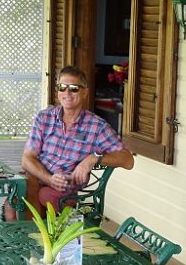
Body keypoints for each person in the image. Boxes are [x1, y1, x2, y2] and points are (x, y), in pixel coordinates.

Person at [11, 65, 134, 218]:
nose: (67, 93)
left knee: (32, 198)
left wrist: (94, 158)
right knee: (21, 194)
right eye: (62, 87)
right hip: (38, 177)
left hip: (64, 189)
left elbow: (128, 160)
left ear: (85, 93)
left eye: (74, 88)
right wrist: (49, 179)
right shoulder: (44, 117)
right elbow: (27, 159)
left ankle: (26, 238)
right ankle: (28, 236)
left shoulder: (96, 126)